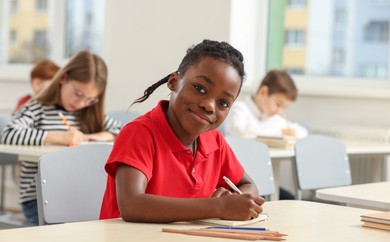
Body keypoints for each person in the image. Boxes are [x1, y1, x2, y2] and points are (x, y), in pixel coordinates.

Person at [100, 39, 265, 223]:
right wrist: (218, 207)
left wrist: (237, 202)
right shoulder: (139, 133)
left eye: (223, 103)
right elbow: (132, 205)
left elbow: (248, 185)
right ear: (174, 82)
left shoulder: (214, 140)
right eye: (200, 88)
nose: (209, 106)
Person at [0, 51, 123, 226]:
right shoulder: (37, 108)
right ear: (63, 78)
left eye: (90, 99)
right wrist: (60, 137)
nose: (80, 103)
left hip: (81, 197)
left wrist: (99, 136)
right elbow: (9, 133)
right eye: (78, 94)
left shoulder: (88, 114)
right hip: (40, 199)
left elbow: (124, 131)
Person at [224, 69, 308, 139]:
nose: (279, 111)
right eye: (278, 104)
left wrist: (292, 132)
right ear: (263, 92)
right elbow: (241, 132)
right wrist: (279, 133)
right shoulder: (240, 109)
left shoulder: (272, 118)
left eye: (283, 108)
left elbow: (303, 132)